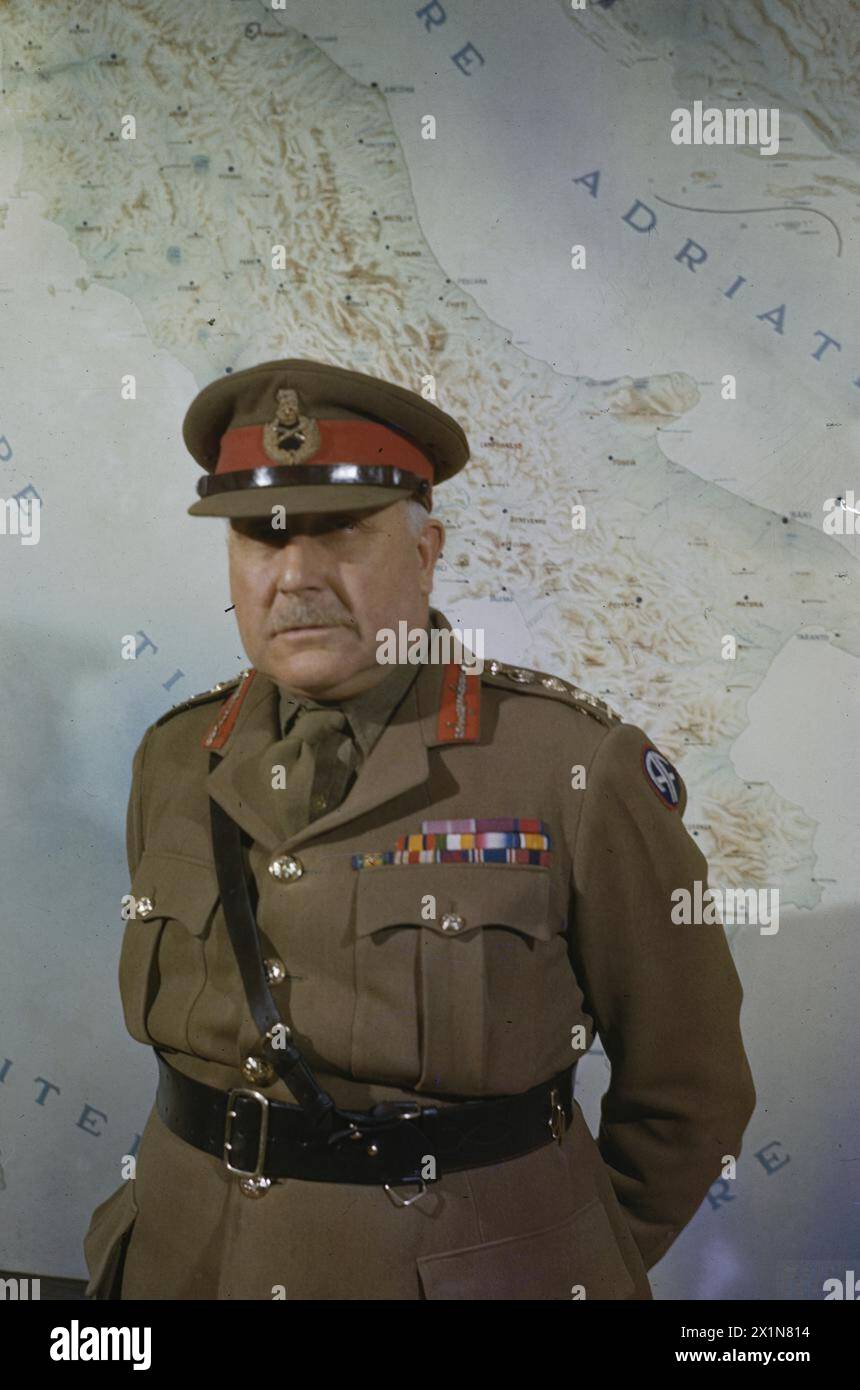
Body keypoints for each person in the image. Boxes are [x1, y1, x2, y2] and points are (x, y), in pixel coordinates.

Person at [83, 358, 755, 1300]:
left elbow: (693, 1086)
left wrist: (556, 1257)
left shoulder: (574, 769)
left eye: (341, 533)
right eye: (261, 538)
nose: (296, 577)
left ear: (427, 550)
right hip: (189, 1267)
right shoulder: (176, 756)